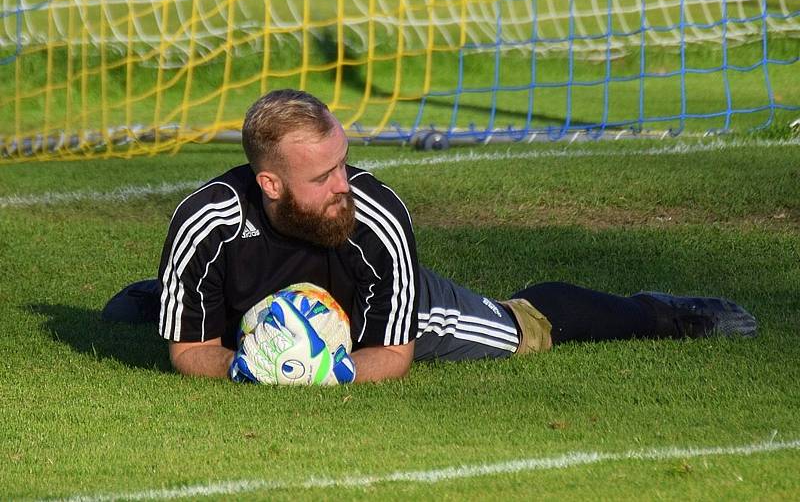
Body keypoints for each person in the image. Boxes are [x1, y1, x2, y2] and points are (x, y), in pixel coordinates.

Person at [103, 89, 757, 383]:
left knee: (522, 329)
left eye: (344, 160)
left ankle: (664, 313)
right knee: (188, 317)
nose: (344, 184)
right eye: (324, 174)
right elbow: (190, 352)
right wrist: (249, 370)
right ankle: (164, 293)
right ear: (270, 185)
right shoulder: (207, 220)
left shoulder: (376, 217)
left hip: (380, 315)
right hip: (253, 306)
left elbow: (392, 355)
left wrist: (324, 374)